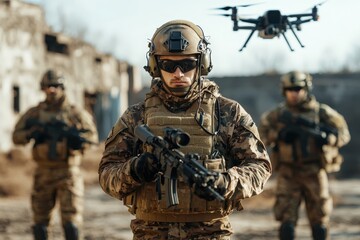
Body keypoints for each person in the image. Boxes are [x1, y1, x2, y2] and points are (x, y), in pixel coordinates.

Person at [98, 19, 272, 239]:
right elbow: (106, 174)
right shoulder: (136, 116)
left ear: (202, 63)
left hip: (210, 231)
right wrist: (134, 170)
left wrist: (225, 182)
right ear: (155, 66)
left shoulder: (227, 112)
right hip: (150, 232)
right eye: (169, 65)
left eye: (187, 64)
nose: (178, 73)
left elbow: (259, 167)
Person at [259, 71, 351, 240]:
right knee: (286, 220)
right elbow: (258, 136)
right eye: (290, 89)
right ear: (284, 91)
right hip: (288, 172)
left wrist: (328, 138)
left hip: (314, 170)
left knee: (320, 220)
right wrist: (278, 135)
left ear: (306, 88)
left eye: (298, 88)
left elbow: (344, 133)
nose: (294, 93)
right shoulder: (278, 115)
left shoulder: (321, 112)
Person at [12, 69, 98, 240]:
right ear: (42, 88)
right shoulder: (35, 113)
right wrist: (31, 133)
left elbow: (92, 137)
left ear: (62, 87)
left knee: (71, 222)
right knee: (40, 223)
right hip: (43, 172)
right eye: (48, 86)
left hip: (68, 172)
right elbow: (16, 137)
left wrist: (77, 141)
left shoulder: (75, 113)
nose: (52, 90)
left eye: (56, 86)